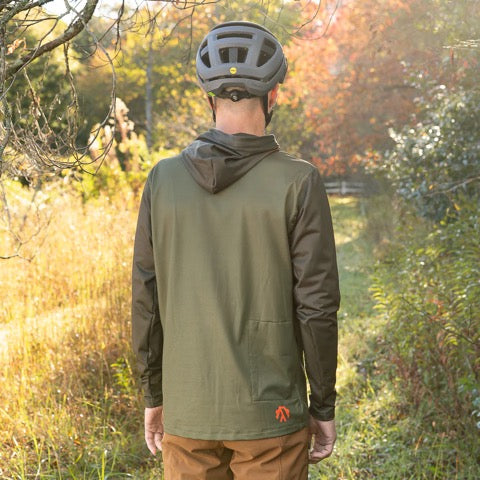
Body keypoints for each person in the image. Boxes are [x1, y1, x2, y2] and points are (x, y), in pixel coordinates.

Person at [132, 21, 340, 479]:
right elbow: (317, 307)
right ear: (274, 95)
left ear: (209, 99)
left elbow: (146, 299)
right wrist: (322, 404)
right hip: (272, 415)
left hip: (187, 412)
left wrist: (154, 395)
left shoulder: (162, 180)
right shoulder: (299, 182)